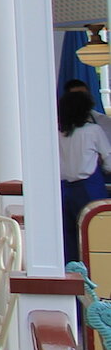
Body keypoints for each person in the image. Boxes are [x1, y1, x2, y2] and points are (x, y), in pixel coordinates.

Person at [60, 87, 111, 264]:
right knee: (97, 233)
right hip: (90, 187)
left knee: (69, 237)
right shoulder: (93, 130)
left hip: (65, 188)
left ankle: (73, 275)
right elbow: (108, 159)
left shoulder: (59, 133)